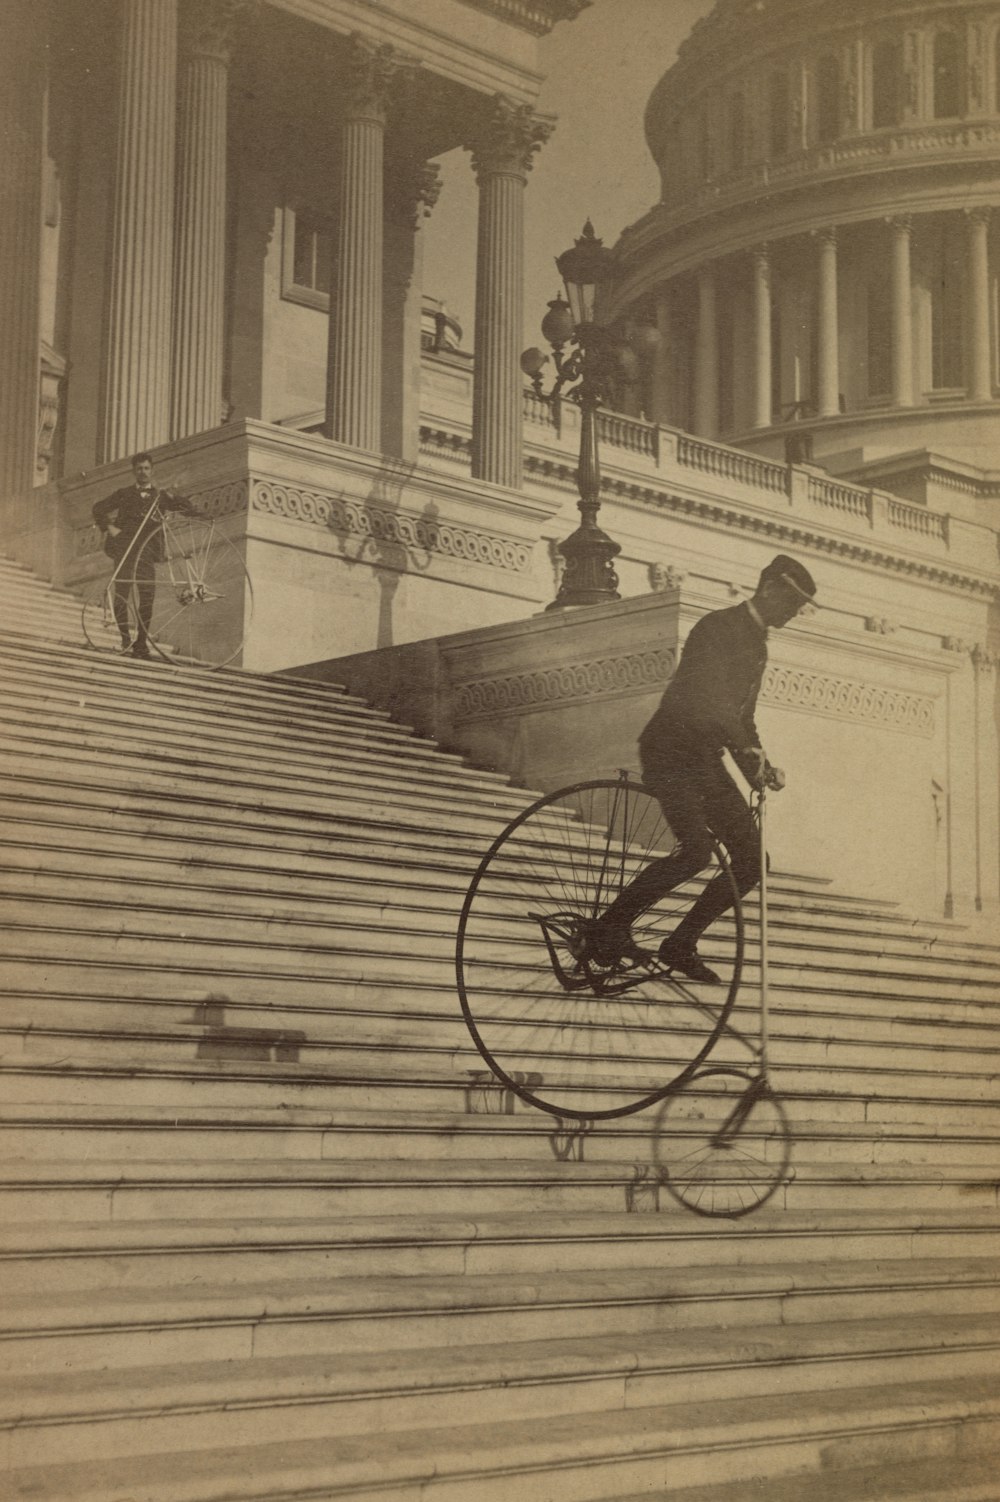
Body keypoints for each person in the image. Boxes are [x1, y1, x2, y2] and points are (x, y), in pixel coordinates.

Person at [587, 553, 818, 982]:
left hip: (705, 760)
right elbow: (706, 700)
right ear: (769, 589)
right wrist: (744, 748)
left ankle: (680, 943)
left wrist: (759, 766)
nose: (792, 615)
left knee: (751, 861)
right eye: (790, 603)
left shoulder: (758, 646)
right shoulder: (717, 628)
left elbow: (742, 718)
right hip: (670, 751)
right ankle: (609, 927)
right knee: (696, 852)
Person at [92, 453, 192, 659]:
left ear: (152, 470)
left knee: (147, 597)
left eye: (146, 468)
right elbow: (98, 508)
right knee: (122, 593)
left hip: (146, 553)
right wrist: (109, 528)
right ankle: (125, 640)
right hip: (125, 550)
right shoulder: (124, 493)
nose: (143, 472)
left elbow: (184, 506)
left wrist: (190, 507)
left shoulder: (160, 496)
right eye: (139, 469)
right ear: (134, 471)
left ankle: (141, 643)